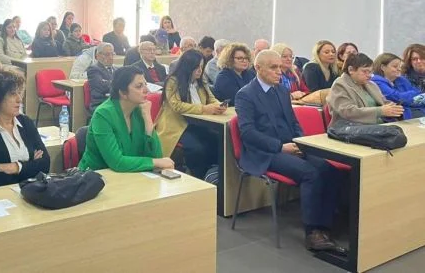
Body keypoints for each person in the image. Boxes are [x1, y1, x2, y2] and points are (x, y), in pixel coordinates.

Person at [235, 50, 343, 253]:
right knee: (310, 173)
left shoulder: (281, 91)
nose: (280, 71)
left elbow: (293, 122)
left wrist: (301, 143)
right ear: (258, 68)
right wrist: (280, 147)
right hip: (266, 152)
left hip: (291, 145)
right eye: (273, 67)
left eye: (280, 67)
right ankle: (313, 233)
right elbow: (248, 133)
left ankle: (325, 224)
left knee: (329, 169)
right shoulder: (245, 95)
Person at [79, 66, 173, 173]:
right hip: (97, 177)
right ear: (123, 93)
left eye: (145, 84)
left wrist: (148, 119)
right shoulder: (103, 114)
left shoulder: (140, 110)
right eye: (139, 86)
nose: (146, 90)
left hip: (129, 175)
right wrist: (155, 162)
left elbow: (156, 155)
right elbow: (117, 162)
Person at [0, 69, 50, 189]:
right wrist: (31, 164)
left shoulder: (26, 123)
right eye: (12, 94)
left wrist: (15, 167)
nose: (19, 99)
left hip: (30, 191)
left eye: (19, 93)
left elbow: (45, 163)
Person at [155, 50, 225, 179]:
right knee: (197, 148)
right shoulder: (173, 81)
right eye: (196, 67)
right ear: (188, 66)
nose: (199, 70)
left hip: (199, 123)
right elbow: (177, 105)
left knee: (218, 141)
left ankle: (213, 176)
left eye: (201, 66)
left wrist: (218, 105)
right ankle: (197, 176)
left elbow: (211, 98)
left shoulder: (201, 80)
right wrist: (204, 109)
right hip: (178, 125)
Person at [327, 53, 404, 127]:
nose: (369, 75)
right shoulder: (340, 85)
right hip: (350, 129)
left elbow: (383, 103)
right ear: (351, 70)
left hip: (377, 127)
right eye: (365, 71)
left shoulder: (371, 84)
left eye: (370, 72)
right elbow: (347, 111)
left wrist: (394, 108)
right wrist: (380, 111)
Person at [370, 53, 425, 119]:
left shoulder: (401, 79)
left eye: (400, 66)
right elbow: (396, 98)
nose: (399, 69)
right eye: (395, 66)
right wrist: (413, 95)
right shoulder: (376, 82)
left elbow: (419, 95)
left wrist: (411, 98)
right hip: (395, 116)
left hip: (413, 110)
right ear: (383, 67)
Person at [87, 43, 116, 112]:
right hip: (101, 103)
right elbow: (102, 86)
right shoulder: (93, 69)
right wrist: (118, 84)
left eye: (112, 54)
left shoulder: (117, 69)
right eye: (107, 54)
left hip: (114, 101)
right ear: (98, 56)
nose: (111, 57)